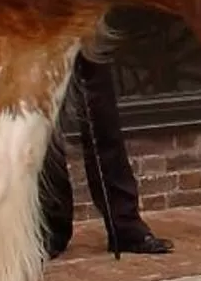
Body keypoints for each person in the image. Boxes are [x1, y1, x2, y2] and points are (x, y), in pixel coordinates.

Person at [39, 50, 173, 259]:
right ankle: (52, 225)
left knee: (102, 113)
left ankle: (123, 224)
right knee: (44, 124)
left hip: (84, 25)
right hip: (34, 29)